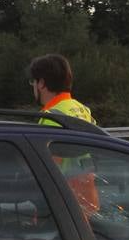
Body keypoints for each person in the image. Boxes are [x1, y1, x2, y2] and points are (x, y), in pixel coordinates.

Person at [29, 53, 99, 214]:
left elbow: (48, 170)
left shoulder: (52, 116)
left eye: (33, 82)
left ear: (41, 83)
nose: (33, 86)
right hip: (88, 197)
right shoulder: (82, 110)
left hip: (66, 202)